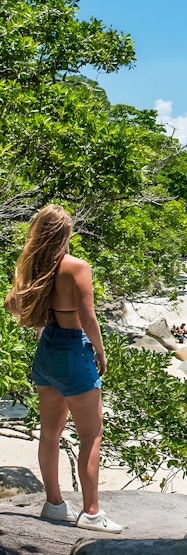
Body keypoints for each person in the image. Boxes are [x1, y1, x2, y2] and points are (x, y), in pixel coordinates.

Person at [3, 204, 122, 533]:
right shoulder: (76, 267)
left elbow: (11, 303)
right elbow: (88, 318)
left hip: (46, 352)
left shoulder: (33, 267)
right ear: (65, 233)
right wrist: (100, 352)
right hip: (73, 351)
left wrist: (42, 319)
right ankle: (93, 513)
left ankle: (54, 505)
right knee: (91, 434)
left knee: (50, 434)